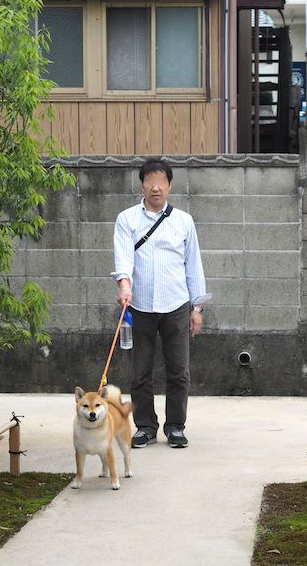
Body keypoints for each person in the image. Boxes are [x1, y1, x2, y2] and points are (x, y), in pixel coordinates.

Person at [111, 158, 211, 449]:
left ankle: (176, 427)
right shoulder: (127, 219)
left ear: (169, 185)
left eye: (161, 182)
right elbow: (123, 259)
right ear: (142, 184)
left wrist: (197, 308)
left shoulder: (183, 221)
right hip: (139, 306)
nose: (155, 187)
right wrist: (124, 284)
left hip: (177, 306)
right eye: (149, 181)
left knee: (179, 371)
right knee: (140, 372)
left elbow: (194, 266)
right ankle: (145, 426)